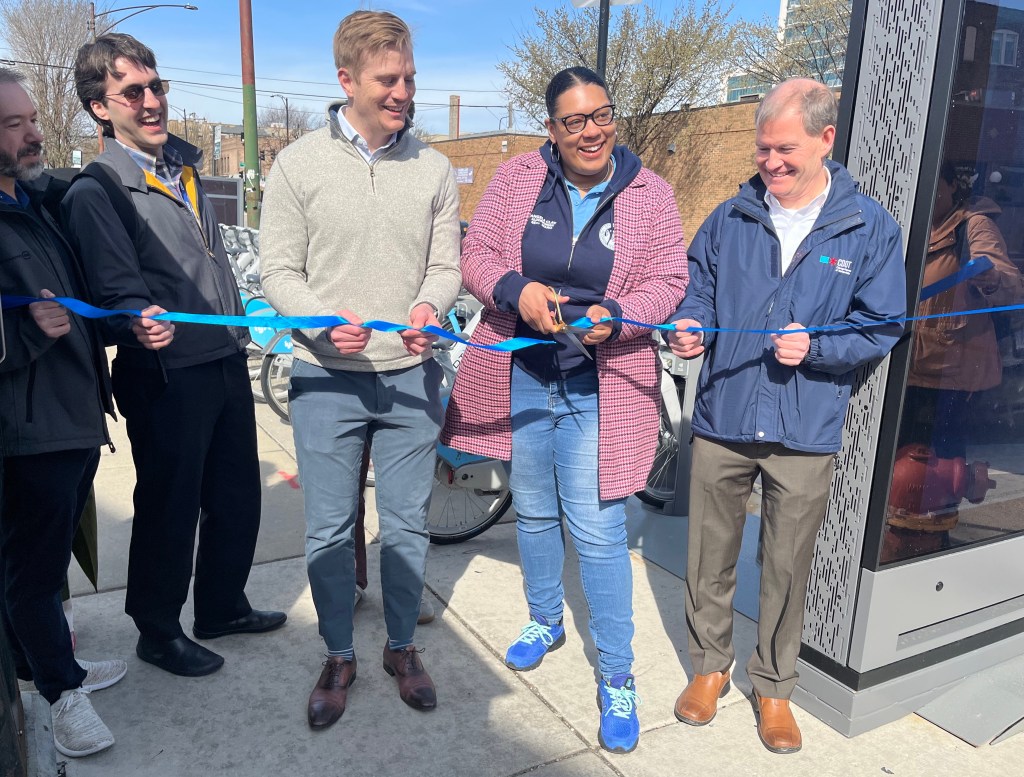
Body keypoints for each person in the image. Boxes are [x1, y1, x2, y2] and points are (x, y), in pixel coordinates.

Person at [440, 66, 688, 754]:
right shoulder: (520, 179)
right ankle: (545, 618)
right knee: (536, 508)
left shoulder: (649, 192)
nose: (591, 131)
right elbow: (477, 252)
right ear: (551, 128)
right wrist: (515, 288)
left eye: (601, 115)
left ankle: (617, 674)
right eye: (574, 121)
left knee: (602, 531)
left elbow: (672, 278)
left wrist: (627, 316)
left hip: (600, 384)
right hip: (526, 373)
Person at [665, 78, 906, 754]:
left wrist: (820, 347)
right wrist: (690, 329)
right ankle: (709, 668)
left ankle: (774, 687)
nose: (770, 162)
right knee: (708, 555)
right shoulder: (728, 218)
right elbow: (697, 292)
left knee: (785, 565)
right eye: (763, 148)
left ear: (827, 140)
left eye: (786, 149)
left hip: (804, 427)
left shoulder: (868, 228)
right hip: (723, 415)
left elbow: (883, 325)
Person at [259, 10, 461, 730]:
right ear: (346, 80)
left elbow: (446, 265)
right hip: (326, 377)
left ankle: (400, 647)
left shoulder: (434, 169)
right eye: (388, 78)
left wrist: (431, 303)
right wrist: (316, 319)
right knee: (329, 527)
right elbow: (277, 267)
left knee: (406, 525)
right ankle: (339, 651)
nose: (403, 90)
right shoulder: (298, 165)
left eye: (409, 76)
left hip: (410, 373)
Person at [62, 34, 285, 679]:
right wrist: (137, 322)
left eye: (157, 86)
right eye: (134, 91)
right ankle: (157, 630)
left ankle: (220, 605)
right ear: (102, 108)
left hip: (220, 356)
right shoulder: (99, 190)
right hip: (164, 374)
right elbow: (115, 287)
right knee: (170, 503)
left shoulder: (183, 166)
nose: (152, 100)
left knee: (238, 495)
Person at [0, 67, 126, 758]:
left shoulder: (32, 200)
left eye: (31, 119)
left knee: (45, 568)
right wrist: (24, 331)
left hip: (74, 416)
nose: (34, 132)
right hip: (28, 430)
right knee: (32, 570)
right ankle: (59, 694)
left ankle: (48, 668)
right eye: (14, 123)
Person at [883, 160, 1022, 561]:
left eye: (936, 184)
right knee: (896, 475)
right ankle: (893, 545)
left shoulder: (972, 226)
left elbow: (1009, 282)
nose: (929, 192)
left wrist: (990, 277)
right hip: (903, 368)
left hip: (949, 378)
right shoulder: (906, 224)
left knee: (930, 478)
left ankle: (924, 551)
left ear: (951, 187)